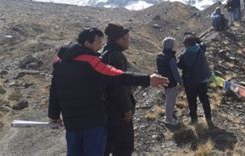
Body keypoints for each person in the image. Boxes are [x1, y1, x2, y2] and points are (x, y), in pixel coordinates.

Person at [48, 27, 168, 156]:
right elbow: (117, 76)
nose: (100, 47)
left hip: (71, 124)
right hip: (93, 123)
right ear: (87, 44)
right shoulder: (92, 63)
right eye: (98, 43)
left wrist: (54, 116)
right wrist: (147, 79)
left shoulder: (60, 64)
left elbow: (54, 91)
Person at [100, 23, 141, 155]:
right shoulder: (117, 56)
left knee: (109, 145)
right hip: (118, 110)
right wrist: (127, 108)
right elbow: (119, 83)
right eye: (127, 37)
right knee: (124, 147)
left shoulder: (104, 53)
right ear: (119, 39)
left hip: (106, 108)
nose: (129, 41)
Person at [178, 34, 214, 128]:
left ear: (186, 44)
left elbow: (180, 65)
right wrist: (197, 39)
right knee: (205, 100)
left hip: (190, 82)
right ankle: (209, 120)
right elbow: (203, 44)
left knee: (192, 101)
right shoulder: (200, 49)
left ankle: (194, 121)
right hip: (202, 80)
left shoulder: (183, 55)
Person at [156, 37, 183, 126]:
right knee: (170, 100)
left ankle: (169, 113)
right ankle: (169, 119)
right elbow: (175, 71)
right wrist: (180, 81)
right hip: (171, 81)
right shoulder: (170, 57)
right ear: (170, 46)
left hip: (163, 80)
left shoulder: (159, 55)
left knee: (168, 97)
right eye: (173, 44)